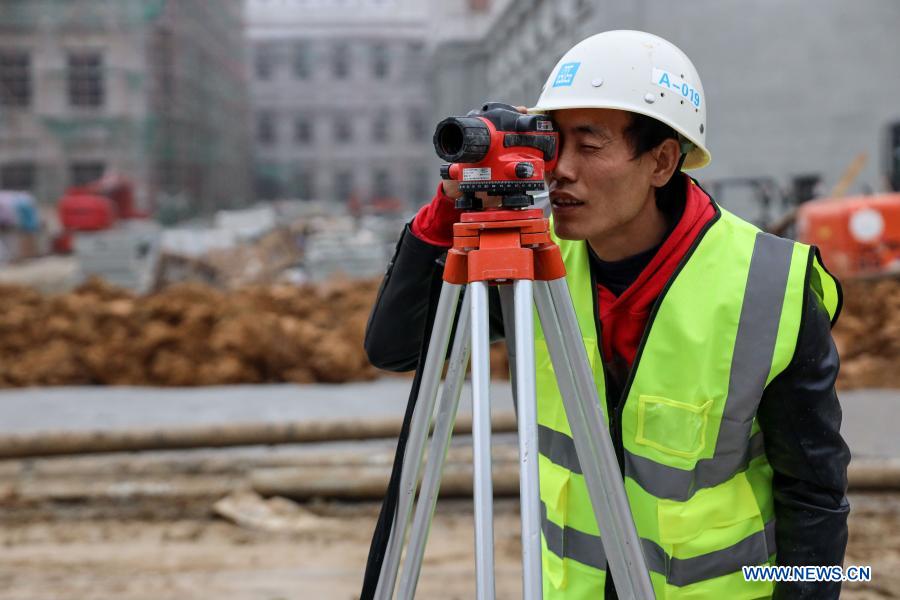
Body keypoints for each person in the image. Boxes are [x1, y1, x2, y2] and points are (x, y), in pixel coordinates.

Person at [364, 30, 850, 599]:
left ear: (663, 161)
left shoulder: (768, 286)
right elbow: (396, 348)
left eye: (589, 147)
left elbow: (814, 496)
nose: (560, 170)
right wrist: (445, 214)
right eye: (554, 143)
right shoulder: (531, 259)